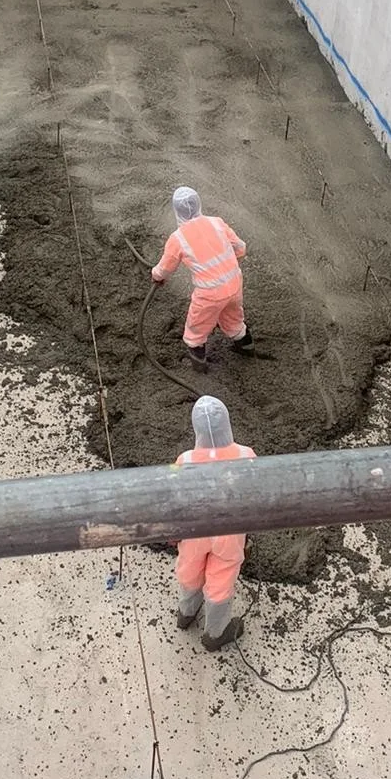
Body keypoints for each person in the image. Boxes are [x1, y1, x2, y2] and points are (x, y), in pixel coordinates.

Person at [173, 396, 254, 651]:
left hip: (195, 530)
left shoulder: (184, 460)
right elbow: (255, 491)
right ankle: (215, 633)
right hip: (229, 532)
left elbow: (173, 493)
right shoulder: (246, 455)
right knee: (221, 577)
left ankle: (187, 612)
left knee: (190, 568)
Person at [151, 187, 253, 365]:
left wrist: (156, 276)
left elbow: (164, 269)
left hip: (209, 293)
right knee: (234, 318)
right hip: (235, 282)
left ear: (176, 210)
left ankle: (199, 364)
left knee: (197, 327)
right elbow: (240, 248)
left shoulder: (178, 239)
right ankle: (246, 346)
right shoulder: (216, 222)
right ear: (198, 203)